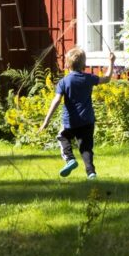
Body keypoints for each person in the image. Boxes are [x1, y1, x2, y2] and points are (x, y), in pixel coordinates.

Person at [40, 46, 115, 179]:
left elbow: (56, 101)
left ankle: (70, 159)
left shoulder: (64, 82)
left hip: (71, 122)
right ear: (84, 64)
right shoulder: (89, 78)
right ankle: (91, 173)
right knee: (86, 148)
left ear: (67, 64)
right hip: (87, 121)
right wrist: (111, 61)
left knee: (62, 137)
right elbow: (107, 78)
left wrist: (46, 120)